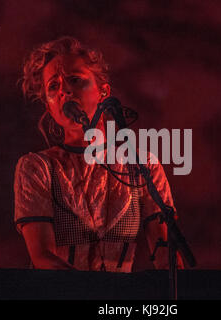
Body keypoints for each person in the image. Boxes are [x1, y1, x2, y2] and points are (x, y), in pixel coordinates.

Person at [14, 36, 183, 272]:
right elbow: (43, 257)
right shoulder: (38, 167)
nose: (64, 91)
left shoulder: (142, 165)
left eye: (75, 80)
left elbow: (167, 255)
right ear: (48, 106)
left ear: (103, 92)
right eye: (53, 86)